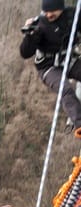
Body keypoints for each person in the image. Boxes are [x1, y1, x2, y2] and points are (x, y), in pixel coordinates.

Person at [20, 0, 81, 137]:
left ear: (60, 8)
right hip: (48, 66)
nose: (48, 14)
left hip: (68, 60)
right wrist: (30, 36)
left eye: (51, 11)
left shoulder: (73, 16)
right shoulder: (40, 25)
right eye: (46, 11)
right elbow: (25, 53)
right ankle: (79, 124)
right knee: (65, 89)